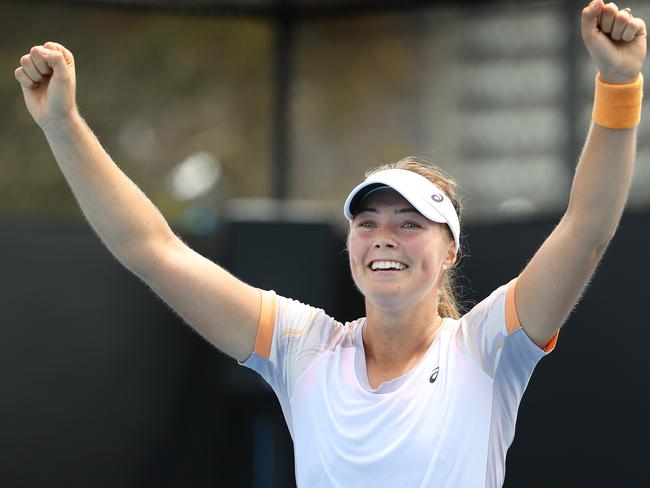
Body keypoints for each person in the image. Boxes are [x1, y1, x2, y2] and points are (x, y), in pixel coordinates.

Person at [14, 1, 646, 486]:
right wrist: (63, 125)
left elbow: (586, 229)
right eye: (367, 222)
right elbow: (153, 249)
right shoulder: (302, 347)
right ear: (349, 244)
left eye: (409, 222)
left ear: (449, 250)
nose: (383, 238)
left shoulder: (488, 348)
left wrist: (619, 85)